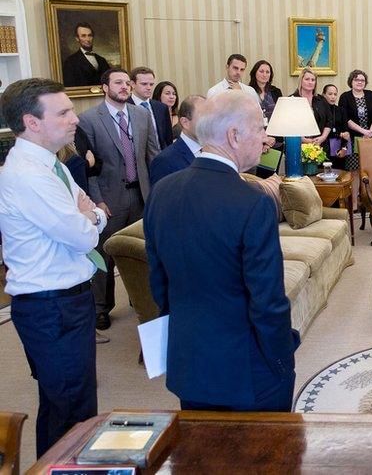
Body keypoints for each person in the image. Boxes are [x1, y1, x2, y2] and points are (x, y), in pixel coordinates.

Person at [144, 91, 300, 412]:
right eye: (259, 128)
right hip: (246, 372)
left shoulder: (162, 191)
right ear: (234, 135)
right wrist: (283, 362)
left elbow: (159, 285)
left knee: (200, 456)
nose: (265, 138)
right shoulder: (252, 202)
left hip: (188, 364)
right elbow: (268, 302)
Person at [0, 78, 107, 455]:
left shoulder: (52, 165)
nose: (74, 118)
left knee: (71, 405)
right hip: (51, 306)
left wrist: (89, 216)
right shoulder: (29, 175)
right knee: (69, 411)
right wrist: (90, 219)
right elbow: (84, 235)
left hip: (61, 302)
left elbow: (91, 212)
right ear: (31, 122)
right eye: (62, 112)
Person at [77, 68, 160, 330]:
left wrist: (158, 192)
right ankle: (102, 307)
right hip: (108, 199)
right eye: (118, 83)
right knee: (106, 253)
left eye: (126, 82)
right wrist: (97, 201)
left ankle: (141, 300)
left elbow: (153, 156)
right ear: (105, 87)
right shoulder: (88, 119)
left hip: (142, 195)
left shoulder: (141, 115)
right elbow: (88, 168)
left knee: (141, 252)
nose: (124, 87)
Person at [339, 69, 372, 211]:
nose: (359, 82)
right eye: (356, 79)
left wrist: (370, 132)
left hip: (370, 138)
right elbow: (346, 119)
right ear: (351, 81)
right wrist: (363, 131)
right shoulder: (345, 97)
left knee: (369, 169)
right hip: (353, 138)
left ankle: (368, 198)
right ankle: (355, 202)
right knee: (355, 171)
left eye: (362, 80)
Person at [149, 95, 205, 186]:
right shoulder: (165, 161)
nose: (210, 123)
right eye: (203, 118)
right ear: (185, 122)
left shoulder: (215, 152)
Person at [128, 67, 174, 148]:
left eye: (151, 84)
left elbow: (168, 139)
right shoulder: (124, 106)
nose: (149, 88)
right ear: (132, 84)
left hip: (160, 156)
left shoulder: (161, 108)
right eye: (144, 84)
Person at [61, 23, 111, 87]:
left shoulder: (102, 60)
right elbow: (69, 87)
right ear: (77, 38)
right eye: (83, 36)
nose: (87, 39)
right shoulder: (70, 61)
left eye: (89, 35)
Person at [293, 67, 330, 147]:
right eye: (307, 79)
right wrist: (304, 140)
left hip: (320, 144)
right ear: (301, 81)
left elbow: (329, 121)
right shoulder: (292, 100)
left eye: (313, 80)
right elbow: (288, 125)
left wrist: (322, 137)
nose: (310, 82)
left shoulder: (321, 100)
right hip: (297, 144)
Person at [322, 84, 350, 170]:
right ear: (324, 95)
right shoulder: (320, 110)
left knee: (340, 175)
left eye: (335, 94)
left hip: (339, 148)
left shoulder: (341, 110)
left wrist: (344, 148)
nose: (333, 97)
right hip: (324, 148)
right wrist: (339, 134)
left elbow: (346, 132)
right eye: (330, 94)